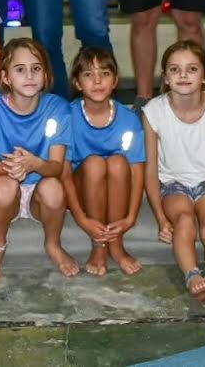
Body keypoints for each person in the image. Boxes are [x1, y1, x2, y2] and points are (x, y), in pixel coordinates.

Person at [143, 40, 205, 302]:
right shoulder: (153, 112)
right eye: (175, 69)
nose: (183, 75)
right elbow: (150, 172)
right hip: (173, 182)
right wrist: (161, 218)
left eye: (192, 69)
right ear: (165, 78)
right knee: (184, 220)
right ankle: (192, 275)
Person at [0, 38, 77, 280]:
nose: (30, 76)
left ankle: (53, 243)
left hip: (40, 190)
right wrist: (14, 166)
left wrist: (35, 164)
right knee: (4, 185)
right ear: (6, 77)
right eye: (20, 70)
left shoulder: (58, 108)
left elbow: (56, 168)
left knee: (54, 188)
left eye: (36, 68)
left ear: (46, 74)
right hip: (3, 188)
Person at [63, 46, 145, 277]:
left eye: (105, 74)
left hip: (117, 187)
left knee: (118, 162)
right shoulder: (67, 117)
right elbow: (64, 174)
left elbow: (138, 172)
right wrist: (82, 219)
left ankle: (116, 244)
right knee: (94, 163)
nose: (97, 81)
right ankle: (99, 244)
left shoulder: (129, 119)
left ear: (115, 81)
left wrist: (130, 218)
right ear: (77, 83)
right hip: (82, 189)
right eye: (88, 74)